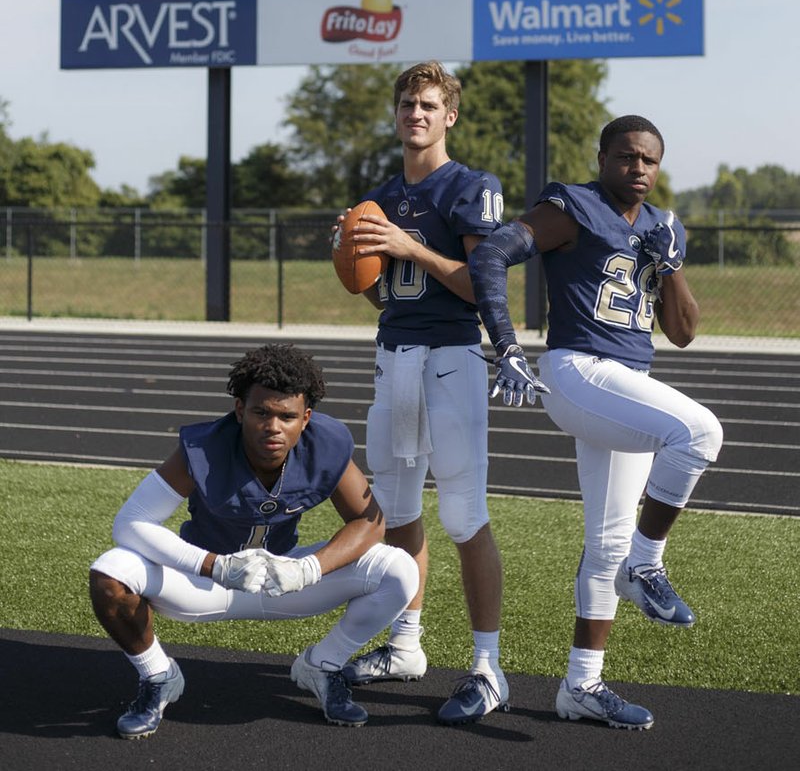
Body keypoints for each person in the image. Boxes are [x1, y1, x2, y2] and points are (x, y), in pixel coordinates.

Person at [467, 115, 723, 731]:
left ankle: (581, 685)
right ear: (603, 156)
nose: (639, 169)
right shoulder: (575, 204)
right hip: (578, 368)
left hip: (624, 383)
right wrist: (506, 344)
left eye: (650, 161)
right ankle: (649, 562)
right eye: (628, 157)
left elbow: (684, 333)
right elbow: (494, 255)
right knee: (699, 432)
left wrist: (670, 266)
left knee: (606, 542)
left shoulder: (663, 225)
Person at [89, 343, 418, 738]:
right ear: (240, 410)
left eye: (287, 416)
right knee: (111, 572)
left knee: (398, 569)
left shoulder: (326, 444)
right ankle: (159, 677)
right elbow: (131, 522)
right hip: (205, 582)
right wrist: (215, 565)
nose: (273, 427)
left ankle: (323, 665)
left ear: (306, 418)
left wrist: (308, 568)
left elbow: (369, 522)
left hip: (282, 579)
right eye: (261, 412)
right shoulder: (205, 446)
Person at [338, 60, 509, 725]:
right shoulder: (379, 193)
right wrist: (356, 262)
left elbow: (482, 286)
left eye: (429, 104)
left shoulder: (470, 186)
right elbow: (386, 294)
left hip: (452, 358)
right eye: (408, 102)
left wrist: (412, 245)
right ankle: (405, 644)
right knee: (399, 511)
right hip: (394, 357)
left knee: (464, 515)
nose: (417, 112)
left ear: (450, 115)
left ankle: (488, 665)